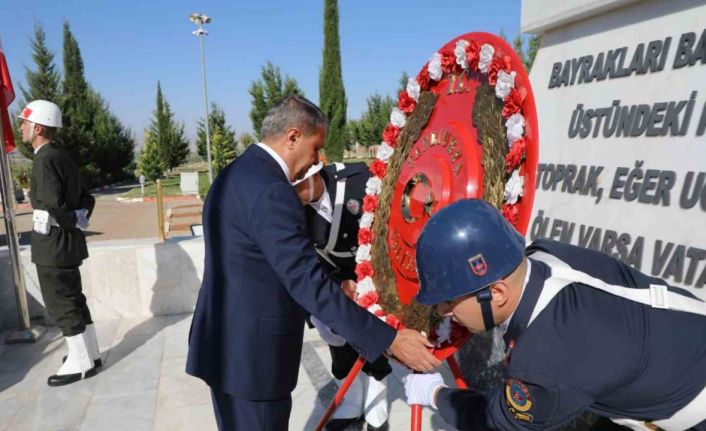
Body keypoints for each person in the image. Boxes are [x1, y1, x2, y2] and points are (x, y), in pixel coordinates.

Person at [186, 96, 440, 431]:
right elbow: (305, 282)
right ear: (292, 137)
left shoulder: (235, 173)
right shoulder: (272, 191)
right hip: (254, 363)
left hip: (225, 348)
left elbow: (267, 262)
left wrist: (338, 286)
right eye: (316, 147)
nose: (318, 160)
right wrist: (389, 339)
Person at [404, 199, 706, 431]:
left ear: (496, 294)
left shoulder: (547, 360)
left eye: (450, 300)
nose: (442, 311)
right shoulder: (543, 254)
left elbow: (497, 422)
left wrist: (435, 395)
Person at [293, 161, 391, 431]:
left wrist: (368, 279)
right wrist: (337, 284)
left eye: (297, 184)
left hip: (375, 271)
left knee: (374, 337)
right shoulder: (291, 209)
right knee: (333, 335)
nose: (293, 192)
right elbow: (304, 255)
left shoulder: (358, 179)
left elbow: (388, 230)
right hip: (332, 278)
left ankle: (376, 407)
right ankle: (351, 402)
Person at [18, 100, 100, 386]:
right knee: (75, 299)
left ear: (38, 127)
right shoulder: (62, 157)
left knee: (61, 303)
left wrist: (65, 223)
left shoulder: (43, 159)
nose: (21, 128)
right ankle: (91, 353)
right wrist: (76, 223)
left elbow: (53, 202)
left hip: (52, 244)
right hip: (68, 242)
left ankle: (80, 363)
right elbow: (88, 199)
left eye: (25, 123)